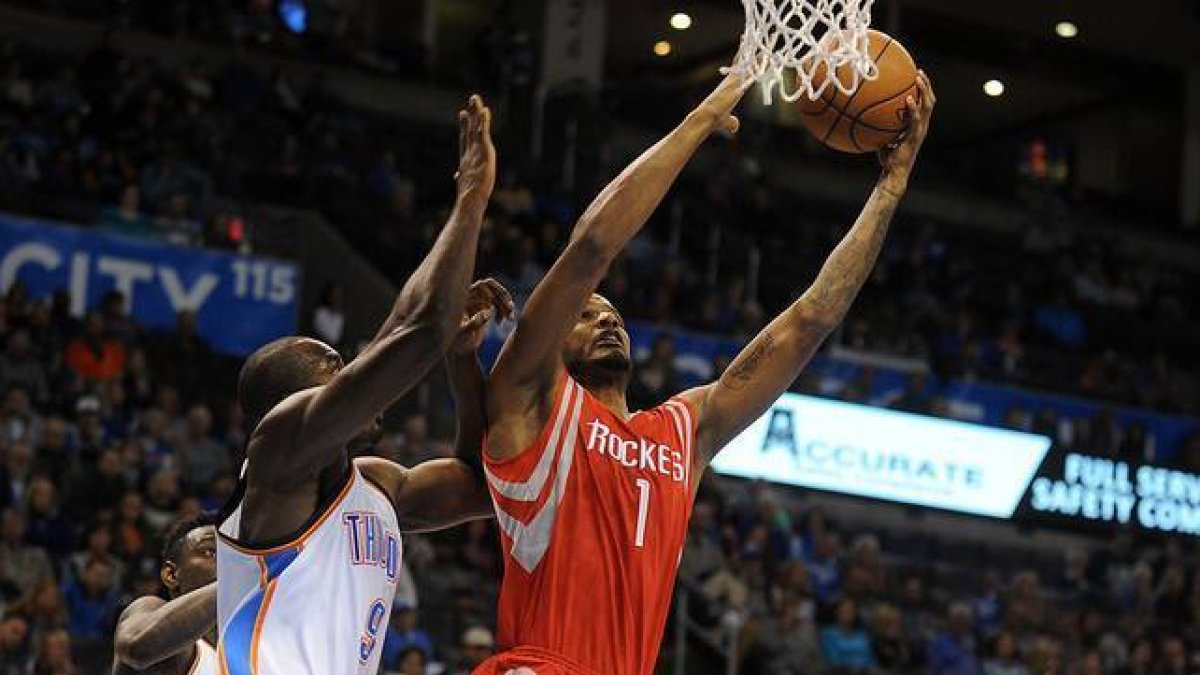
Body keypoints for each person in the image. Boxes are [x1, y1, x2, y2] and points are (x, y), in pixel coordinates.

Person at [474, 54, 935, 675]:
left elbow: (810, 323)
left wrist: (891, 188)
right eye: (584, 315)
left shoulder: (683, 430)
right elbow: (590, 249)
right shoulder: (530, 399)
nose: (605, 318)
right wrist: (701, 120)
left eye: (610, 312)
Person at [215, 95, 505, 675]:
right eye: (332, 371)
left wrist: (462, 363)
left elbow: (482, 483)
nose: (350, 374)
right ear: (291, 402)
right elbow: (416, 334)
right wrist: (472, 197)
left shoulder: (378, 486)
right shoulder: (276, 454)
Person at [111, 514, 219, 674]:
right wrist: (231, 582)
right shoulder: (149, 607)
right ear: (171, 574)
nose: (226, 561)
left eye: (230, 555)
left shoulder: (256, 652)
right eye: (211, 552)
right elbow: (136, 646)